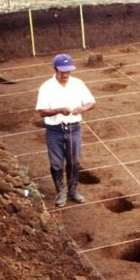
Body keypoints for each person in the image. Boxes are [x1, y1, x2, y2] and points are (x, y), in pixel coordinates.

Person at [35, 53, 96, 207]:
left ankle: (73, 191)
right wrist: (59, 110)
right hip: (54, 130)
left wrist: (82, 108)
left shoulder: (78, 83)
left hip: (73, 128)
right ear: (56, 70)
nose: (66, 74)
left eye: (69, 71)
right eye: (63, 72)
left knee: (74, 162)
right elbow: (42, 111)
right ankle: (60, 193)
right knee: (56, 163)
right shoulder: (46, 87)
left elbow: (91, 102)